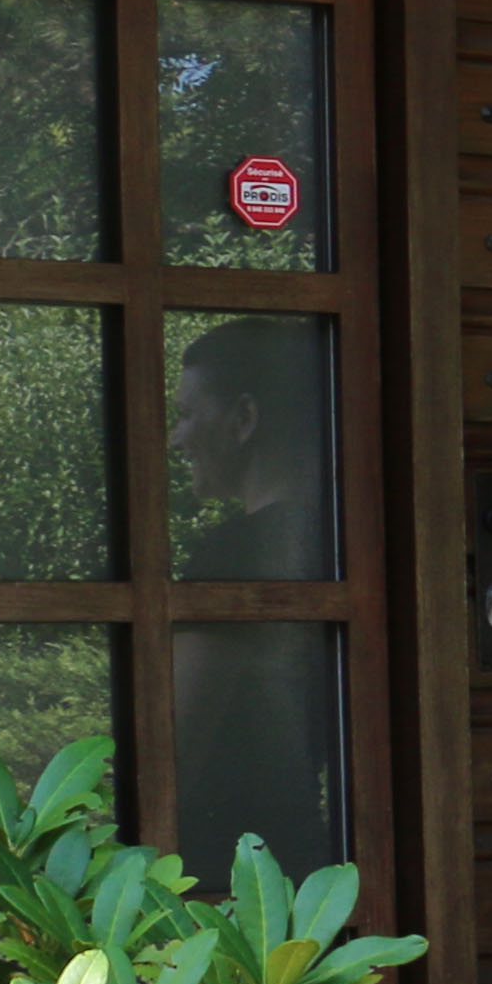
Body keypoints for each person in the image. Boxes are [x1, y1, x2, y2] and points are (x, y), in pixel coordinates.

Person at [164, 315, 345, 881]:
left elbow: (172, 752)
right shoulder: (347, 546)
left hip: (224, 877)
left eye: (187, 415)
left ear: (244, 419)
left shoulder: (236, 555)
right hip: (309, 860)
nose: (176, 438)